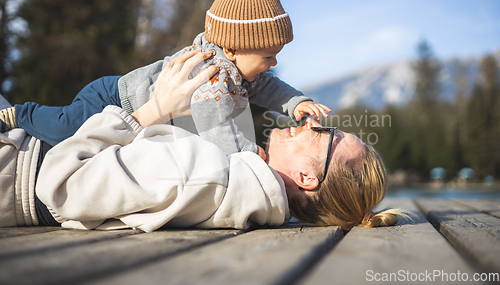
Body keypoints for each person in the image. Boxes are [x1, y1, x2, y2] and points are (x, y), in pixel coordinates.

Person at [0, 51, 404, 232]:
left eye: (327, 135)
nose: (316, 125)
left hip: (18, 163)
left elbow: (59, 186)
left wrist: (151, 110)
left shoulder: (212, 176)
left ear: (307, 177)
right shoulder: (241, 172)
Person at [0, 0, 331, 160]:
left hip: (130, 108)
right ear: (231, 49)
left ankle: (33, 133)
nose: (273, 64)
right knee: (65, 130)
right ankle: (23, 114)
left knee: (82, 147)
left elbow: (270, 87)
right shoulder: (211, 76)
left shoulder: (240, 69)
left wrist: (296, 102)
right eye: (267, 56)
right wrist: (249, 154)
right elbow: (214, 125)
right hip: (112, 99)